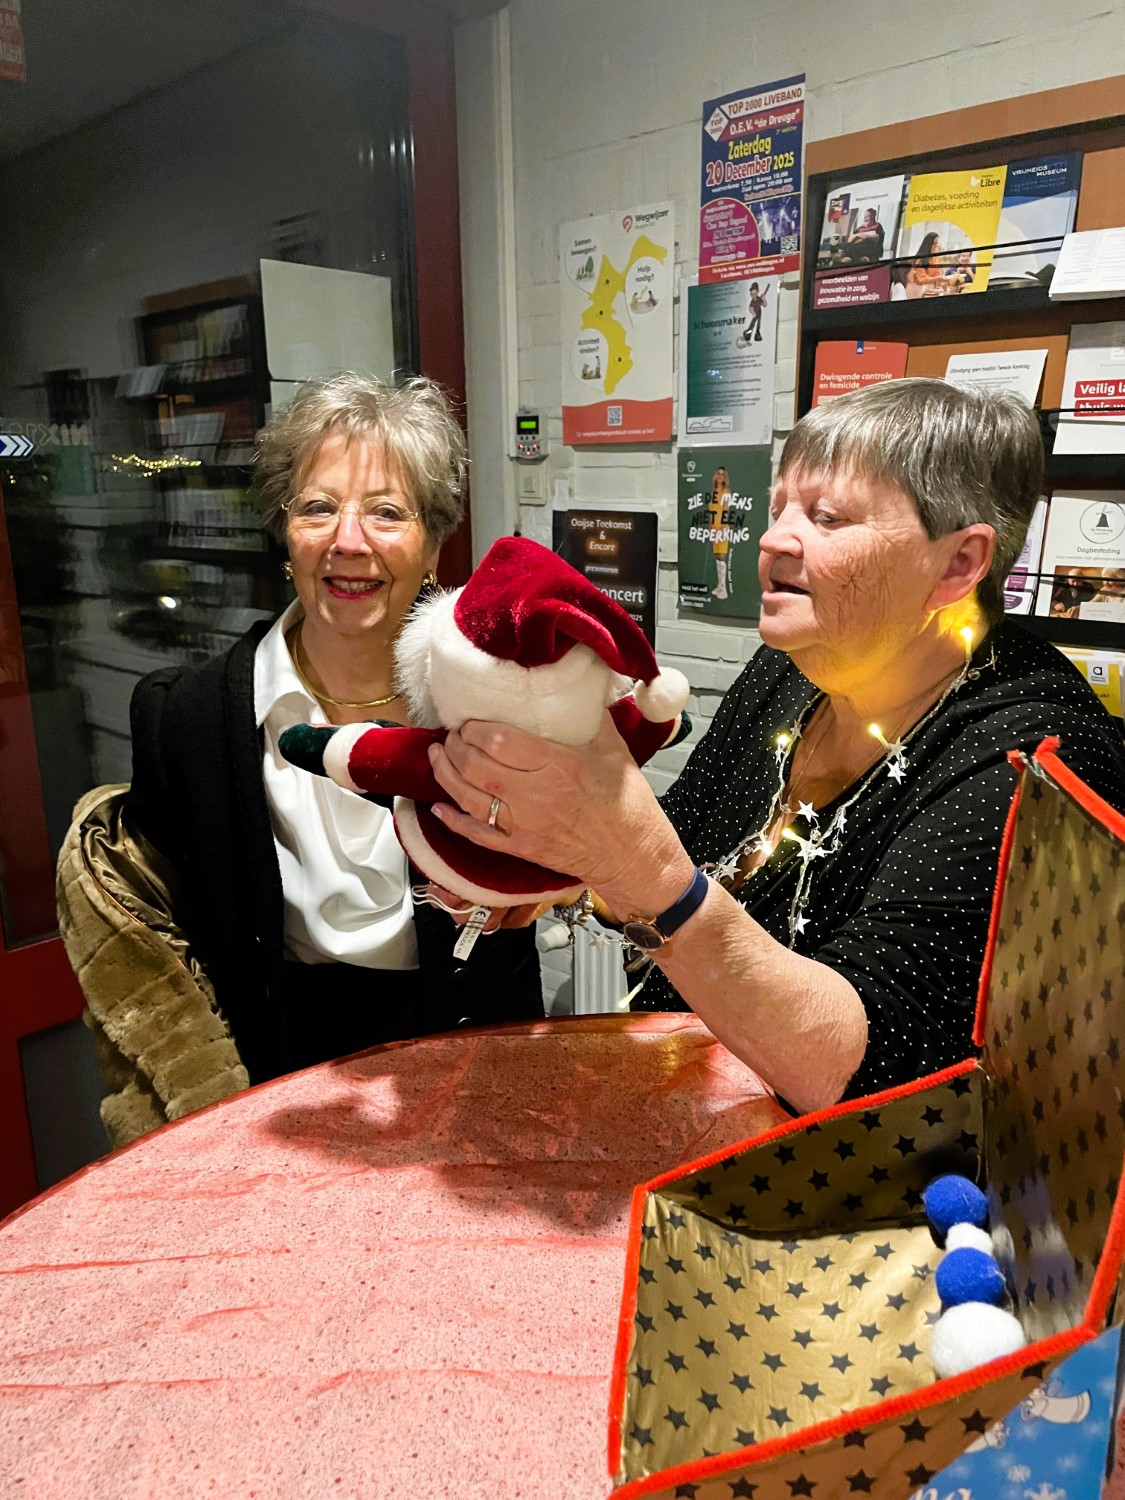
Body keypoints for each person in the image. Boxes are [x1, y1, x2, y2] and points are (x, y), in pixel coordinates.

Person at [423, 380, 1125, 1117]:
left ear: (958, 563)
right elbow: (686, 838)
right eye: (778, 506)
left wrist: (628, 864)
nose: (772, 539)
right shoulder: (792, 668)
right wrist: (559, 872)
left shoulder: (1033, 755)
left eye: (827, 517)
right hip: (693, 1102)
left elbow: (873, 1068)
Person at [61, 373, 541, 1139]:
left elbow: (577, 853)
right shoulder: (184, 721)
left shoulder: (499, 705)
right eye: (318, 507)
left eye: (386, 511)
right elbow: (173, 954)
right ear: (284, 532)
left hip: (479, 1075)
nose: (348, 541)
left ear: (432, 543)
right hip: (276, 1096)